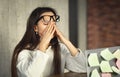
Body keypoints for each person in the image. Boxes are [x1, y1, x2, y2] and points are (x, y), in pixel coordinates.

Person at [11, 7, 86, 77]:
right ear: (35, 28)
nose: (51, 26)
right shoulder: (24, 52)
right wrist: (43, 44)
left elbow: (83, 68)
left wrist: (65, 40)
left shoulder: (60, 48)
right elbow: (32, 74)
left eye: (54, 22)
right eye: (46, 23)